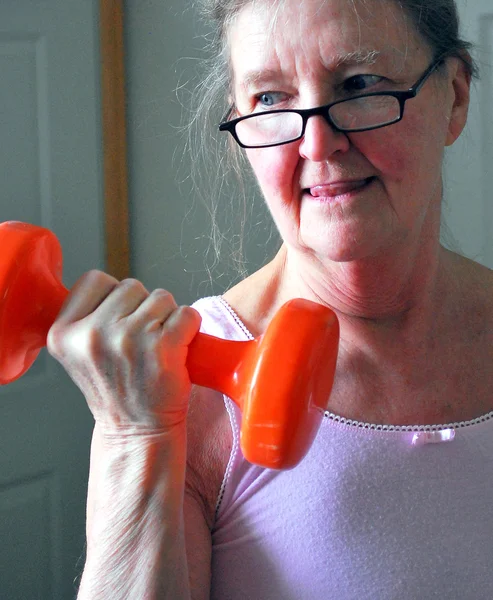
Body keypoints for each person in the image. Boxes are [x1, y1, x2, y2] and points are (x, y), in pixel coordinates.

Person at [47, 0, 493, 598]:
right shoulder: (178, 396)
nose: (316, 144)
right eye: (269, 100)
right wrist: (135, 440)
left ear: (456, 98)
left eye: (359, 84)